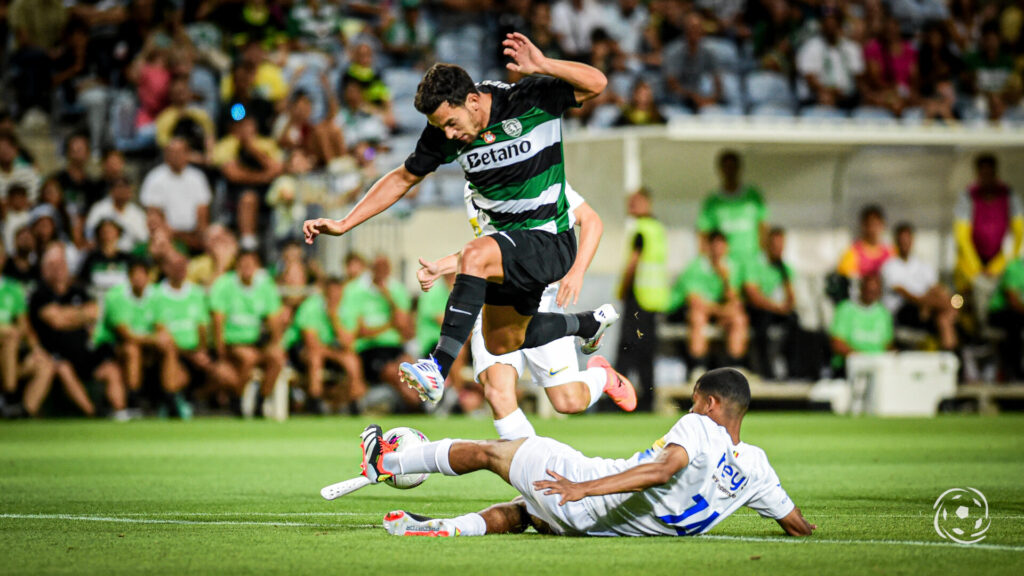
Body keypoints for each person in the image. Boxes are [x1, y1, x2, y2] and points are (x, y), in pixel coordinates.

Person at [303, 34, 616, 405]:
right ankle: (587, 324)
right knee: (503, 340)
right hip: (507, 253)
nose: (449, 135)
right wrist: (344, 222)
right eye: (442, 128)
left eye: (451, 123)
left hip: (550, 240)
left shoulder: (529, 98)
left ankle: (437, 367)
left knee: (475, 254)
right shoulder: (444, 133)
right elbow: (403, 177)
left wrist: (544, 65)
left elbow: (598, 83)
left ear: (472, 101)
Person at [353, 368, 816, 539]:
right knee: (524, 511)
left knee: (491, 452)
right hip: (608, 529)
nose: (692, 406)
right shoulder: (757, 469)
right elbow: (795, 525)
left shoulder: (699, 426)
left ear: (711, 404)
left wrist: (583, 487)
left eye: (696, 398)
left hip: (587, 487)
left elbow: (661, 470)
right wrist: (807, 528)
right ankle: (445, 529)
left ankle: (386, 461)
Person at [416, 181, 634, 437]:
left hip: (542, 300)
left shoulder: (539, 175)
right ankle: (532, 468)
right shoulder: (473, 187)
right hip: (494, 299)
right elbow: (488, 248)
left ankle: (601, 376)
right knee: (498, 394)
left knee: (568, 401)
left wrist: (577, 271)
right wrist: (440, 267)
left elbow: (591, 221)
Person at [29, 244, 125, 418]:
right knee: (64, 368)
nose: (59, 270)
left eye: (62, 265)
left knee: (112, 369)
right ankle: (93, 413)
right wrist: (78, 315)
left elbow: (94, 312)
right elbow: (56, 321)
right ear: (45, 270)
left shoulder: (78, 290)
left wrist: (66, 315)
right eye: (53, 266)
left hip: (84, 353)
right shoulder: (40, 293)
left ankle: (120, 413)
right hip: (56, 354)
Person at [93, 258, 184, 416]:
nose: (139, 278)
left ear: (149, 277)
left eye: (143, 275)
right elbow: (126, 335)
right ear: (129, 277)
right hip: (112, 347)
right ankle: (133, 400)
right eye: (135, 275)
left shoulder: (155, 295)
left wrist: (163, 338)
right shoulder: (117, 296)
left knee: (168, 344)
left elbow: (160, 326)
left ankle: (170, 399)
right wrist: (154, 339)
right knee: (132, 350)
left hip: (145, 346)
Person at [339, 255, 420, 412]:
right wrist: (389, 325)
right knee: (394, 372)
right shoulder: (355, 291)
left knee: (410, 366)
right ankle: (418, 407)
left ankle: (417, 404)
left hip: (394, 346)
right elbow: (361, 331)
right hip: (370, 349)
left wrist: (387, 296)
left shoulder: (396, 290)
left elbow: (405, 328)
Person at [209, 250, 286, 415]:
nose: (247, 268)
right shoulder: (224, 285)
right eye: (243, 264)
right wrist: (220, 354)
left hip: (258, 343)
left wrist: (275, 343)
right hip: (234, 344)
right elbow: (218, 320)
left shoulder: (265, 286)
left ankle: (260, 402)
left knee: (278, 358)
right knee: (248, 357)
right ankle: (237, 401)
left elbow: (274, 319)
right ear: (237, 266)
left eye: (251, 264)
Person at [617, 188, 668, 412]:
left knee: (627, 349)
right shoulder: (657, 229)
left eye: (635, 202)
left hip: (638, 297)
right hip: (654, 300)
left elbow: (633, 264)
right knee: (647, 351)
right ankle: (647, 399)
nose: (631, 206)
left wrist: (622, 289)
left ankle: (619, 400)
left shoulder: (641, 230)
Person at [670, 231, 748, 375]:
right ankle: (697, 367)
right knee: (697, 317)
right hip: (700, 312)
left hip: (718, 312)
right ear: (708, 247)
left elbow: (735, 302)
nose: (718, 251)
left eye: (721, 247)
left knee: (739, 319)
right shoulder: (695, 267)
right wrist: (721, 310)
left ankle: (736, 367)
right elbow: (695, 302)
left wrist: (725, 279)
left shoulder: (731, 268)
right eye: (715, 246)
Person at [287, 275, 365, 414]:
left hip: (331, 351)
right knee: (315, 358)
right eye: (331, 293)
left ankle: (354, 402)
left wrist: (334, 317)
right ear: (325, 292)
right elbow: (311, 343)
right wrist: (334, 353)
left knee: (352, 360)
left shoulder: (348, 308)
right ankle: (315, 401)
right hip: (304, 351)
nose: (334, 297)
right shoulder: (311, 306)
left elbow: (347, 343)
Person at [881, 222, 958, 351]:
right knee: (949, 308)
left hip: (924, 309)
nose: (905, 244)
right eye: (902, 240)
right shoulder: (889, 266)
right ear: (896, 242)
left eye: (908, 240)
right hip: (903, 310)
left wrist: (930, 304)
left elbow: (935, 288)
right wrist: (926, 304)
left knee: (943, 318)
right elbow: (905, 294)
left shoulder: (923, 265)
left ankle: (950, 354)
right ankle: (953, 310)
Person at [0, 241, 55, 418]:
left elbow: (24, 326)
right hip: (8, 340)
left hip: (10, 353)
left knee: (45, 364)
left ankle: (22, 413)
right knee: (10, 334)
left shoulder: (13, 288)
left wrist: (36, 349)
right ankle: (9, 398)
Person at [151, 252, 213, 407]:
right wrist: (191, 355)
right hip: (170, 355)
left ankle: (193, 399)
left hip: (195, 353)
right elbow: (160, 331)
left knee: (224, 375)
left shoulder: (196, 293)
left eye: (183, 266)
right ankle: (172, 404)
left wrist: (202, 351)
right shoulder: (156, 295)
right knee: (175, 371)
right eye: (176, 266)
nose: (180, 270)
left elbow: (202, 327)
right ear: (166, 268)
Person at [954, 154, 1023, 292]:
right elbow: (962, 238)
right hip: (972, 264)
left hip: (1001, 261)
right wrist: (976, 269)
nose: (986, 179)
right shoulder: (967, 197)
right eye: (983, 174)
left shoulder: (1009, 196)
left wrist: (997, 267)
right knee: (967, 295)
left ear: (995, 173)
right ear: (977, 174)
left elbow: (1018, 234)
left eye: (989, 174)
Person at [742, 227, 800, 379]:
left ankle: (792, 368)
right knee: (763, 324)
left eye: (781, 246)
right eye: (775, 245)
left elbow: (791, 297)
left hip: (776, 309)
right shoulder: (754, 264)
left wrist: (786, 305)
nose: (778, 249)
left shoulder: (785, 268)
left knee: (794, 321)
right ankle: (765, 371)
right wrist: (777, 307)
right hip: (759, 309)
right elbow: (753, 295)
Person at [698, 150, 769, 270]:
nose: (730, 171)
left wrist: (762, 254)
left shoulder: (753, 196)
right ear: (720, 169)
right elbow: (704, 233)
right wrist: (708, 259)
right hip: (725, 262)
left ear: (739, 169)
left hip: (750, 260)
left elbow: (763, 226)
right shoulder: (712, 201)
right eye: (726, 167)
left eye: (733, 167)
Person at [139, 137, 212, 253]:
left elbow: (202, 213)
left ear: (188, 154)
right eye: (172, 153)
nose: (176, 156)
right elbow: (154, 214)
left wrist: (200, 235)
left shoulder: (198, 177)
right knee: (159, 236)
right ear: (165, 156)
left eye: (180, 152)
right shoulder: (154, 178)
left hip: (193, 233)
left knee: (217, 235)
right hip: (168, 233)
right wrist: (173, 232)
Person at [796, 8, 865, 110]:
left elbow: (859, 77)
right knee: (825, 98)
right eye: (827, 23)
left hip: (847, 98)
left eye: (833, 23)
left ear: (840, 25)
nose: (830, 27)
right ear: (821, 25)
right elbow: (810, 79)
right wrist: (829, 91)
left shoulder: (851, 48)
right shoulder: (810, 47)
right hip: (818, 97)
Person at [830, 273, 894, 375]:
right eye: (869, 290)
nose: (871, 294)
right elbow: (837, 343)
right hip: (849, 367)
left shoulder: (883, 313)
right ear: (861, 288)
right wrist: (860, 358)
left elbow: (887, 344)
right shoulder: (845, 309)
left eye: (874, 291)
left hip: (878, 368)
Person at [84, 176, 149, 253]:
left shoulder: (137, 213)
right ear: (111, 191)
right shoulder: (99, 209)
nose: (122, 192)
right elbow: (89, 235)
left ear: (130, 192)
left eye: (125, 188)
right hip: (104, 254)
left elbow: (144, 238)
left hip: (130, 255)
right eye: (119, 188)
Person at [987, 253, 1024, 381]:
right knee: (1015, 325)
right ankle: (1013, 371)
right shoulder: (1014, 268)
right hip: (999, 312)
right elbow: (1012, 299)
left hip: (1017, 314)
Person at [838, 205, 893, 279]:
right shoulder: (853, 252)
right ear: (863, 226)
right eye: (870, 225)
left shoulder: (890, 252)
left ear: (882, 225)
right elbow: (845, 276)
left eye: (876, 224)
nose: (873, 229)